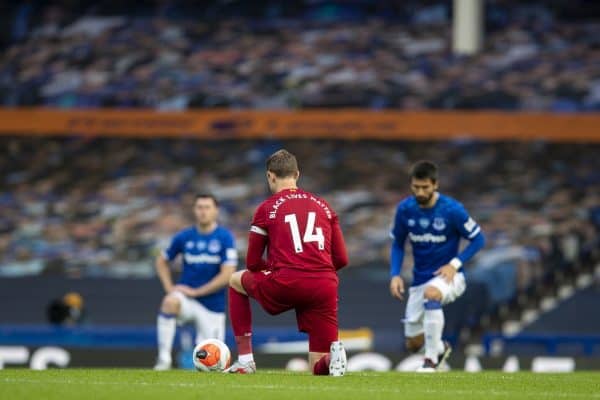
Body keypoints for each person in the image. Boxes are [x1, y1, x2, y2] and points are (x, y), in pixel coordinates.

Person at [225, 149, 349, 375]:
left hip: (287, 281)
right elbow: (341, 258)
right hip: (324, 285)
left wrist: (278, 271)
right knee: (317, 368)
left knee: (235, 280)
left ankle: (245, 361)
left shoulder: (266, 208)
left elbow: (253, 262)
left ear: (270, 176)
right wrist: (314, 271)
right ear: (297, 175)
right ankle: (332, 357)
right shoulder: (324, 206)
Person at [389, 160, 485, 372]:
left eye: (425, 187)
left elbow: (479, 239)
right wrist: (395, 274)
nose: (420, 191)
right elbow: (397, 243)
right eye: (416, 187)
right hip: (419, 279)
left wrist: (454, 264)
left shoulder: (452, 210)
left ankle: (430, 361)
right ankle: (439, 348)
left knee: (432, 294)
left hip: (450, 277)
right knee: (413, 344)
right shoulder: (405, 210)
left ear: (435, 185)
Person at [154, 194, 238, 370]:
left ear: (216, 211)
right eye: (199, 207)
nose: (203, 211)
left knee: (215, 360)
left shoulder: (225, 238)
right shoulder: (184, 237)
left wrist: (197, 292)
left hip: (212, 305)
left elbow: (227, 274)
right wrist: (170, 288)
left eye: (207, 207)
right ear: (194, 210)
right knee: (170, 302)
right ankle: (163, 360)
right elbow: (161, 260)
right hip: (187, 300)